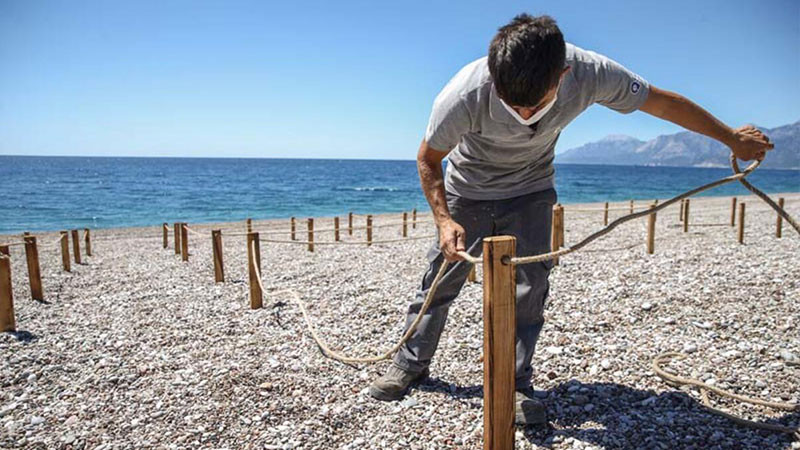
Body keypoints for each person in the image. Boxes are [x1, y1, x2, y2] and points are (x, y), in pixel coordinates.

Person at [368, 13, 773, 425]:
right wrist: (443, 220)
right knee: (440, 279)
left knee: (531, 288)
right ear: (494, 75)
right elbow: (428, 158)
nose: (525, 113)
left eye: (537, 103)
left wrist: (733, 139)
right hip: (467, 190)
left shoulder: (593, 73)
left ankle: (515, 383)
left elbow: (662, 104)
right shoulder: (462, 94)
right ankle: (410, 364)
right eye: (513, 103)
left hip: (531, 189)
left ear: (563, 74)